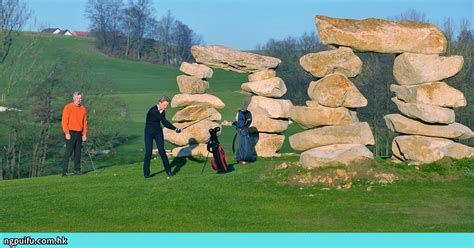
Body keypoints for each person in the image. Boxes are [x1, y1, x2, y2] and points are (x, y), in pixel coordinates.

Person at [143, 96, 182, 178]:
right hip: (148, 133)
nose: (165, 107)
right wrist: (175, 128)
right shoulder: (153, 111)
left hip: (158, 132)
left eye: (166, 106)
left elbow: (164, 124)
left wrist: (175, 129)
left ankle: (169, 171)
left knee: (162, 151)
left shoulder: (162, 111)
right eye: (164, 105)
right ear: (159, 103)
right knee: (148, 152)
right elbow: (164, 121)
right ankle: (146, 173)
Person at [61, 91, 88, 176]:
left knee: (78, 153)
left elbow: (85, 122)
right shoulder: (68, 107)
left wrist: (84, 134)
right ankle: (64, 171)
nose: (79, 100)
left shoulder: (83, 108)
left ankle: (77, 169)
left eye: (80, 98)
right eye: (77, 98)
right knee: (68, 153)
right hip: (70, 132)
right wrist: (66, 132)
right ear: (73, 98)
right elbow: (64, 121)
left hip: (79, 133)